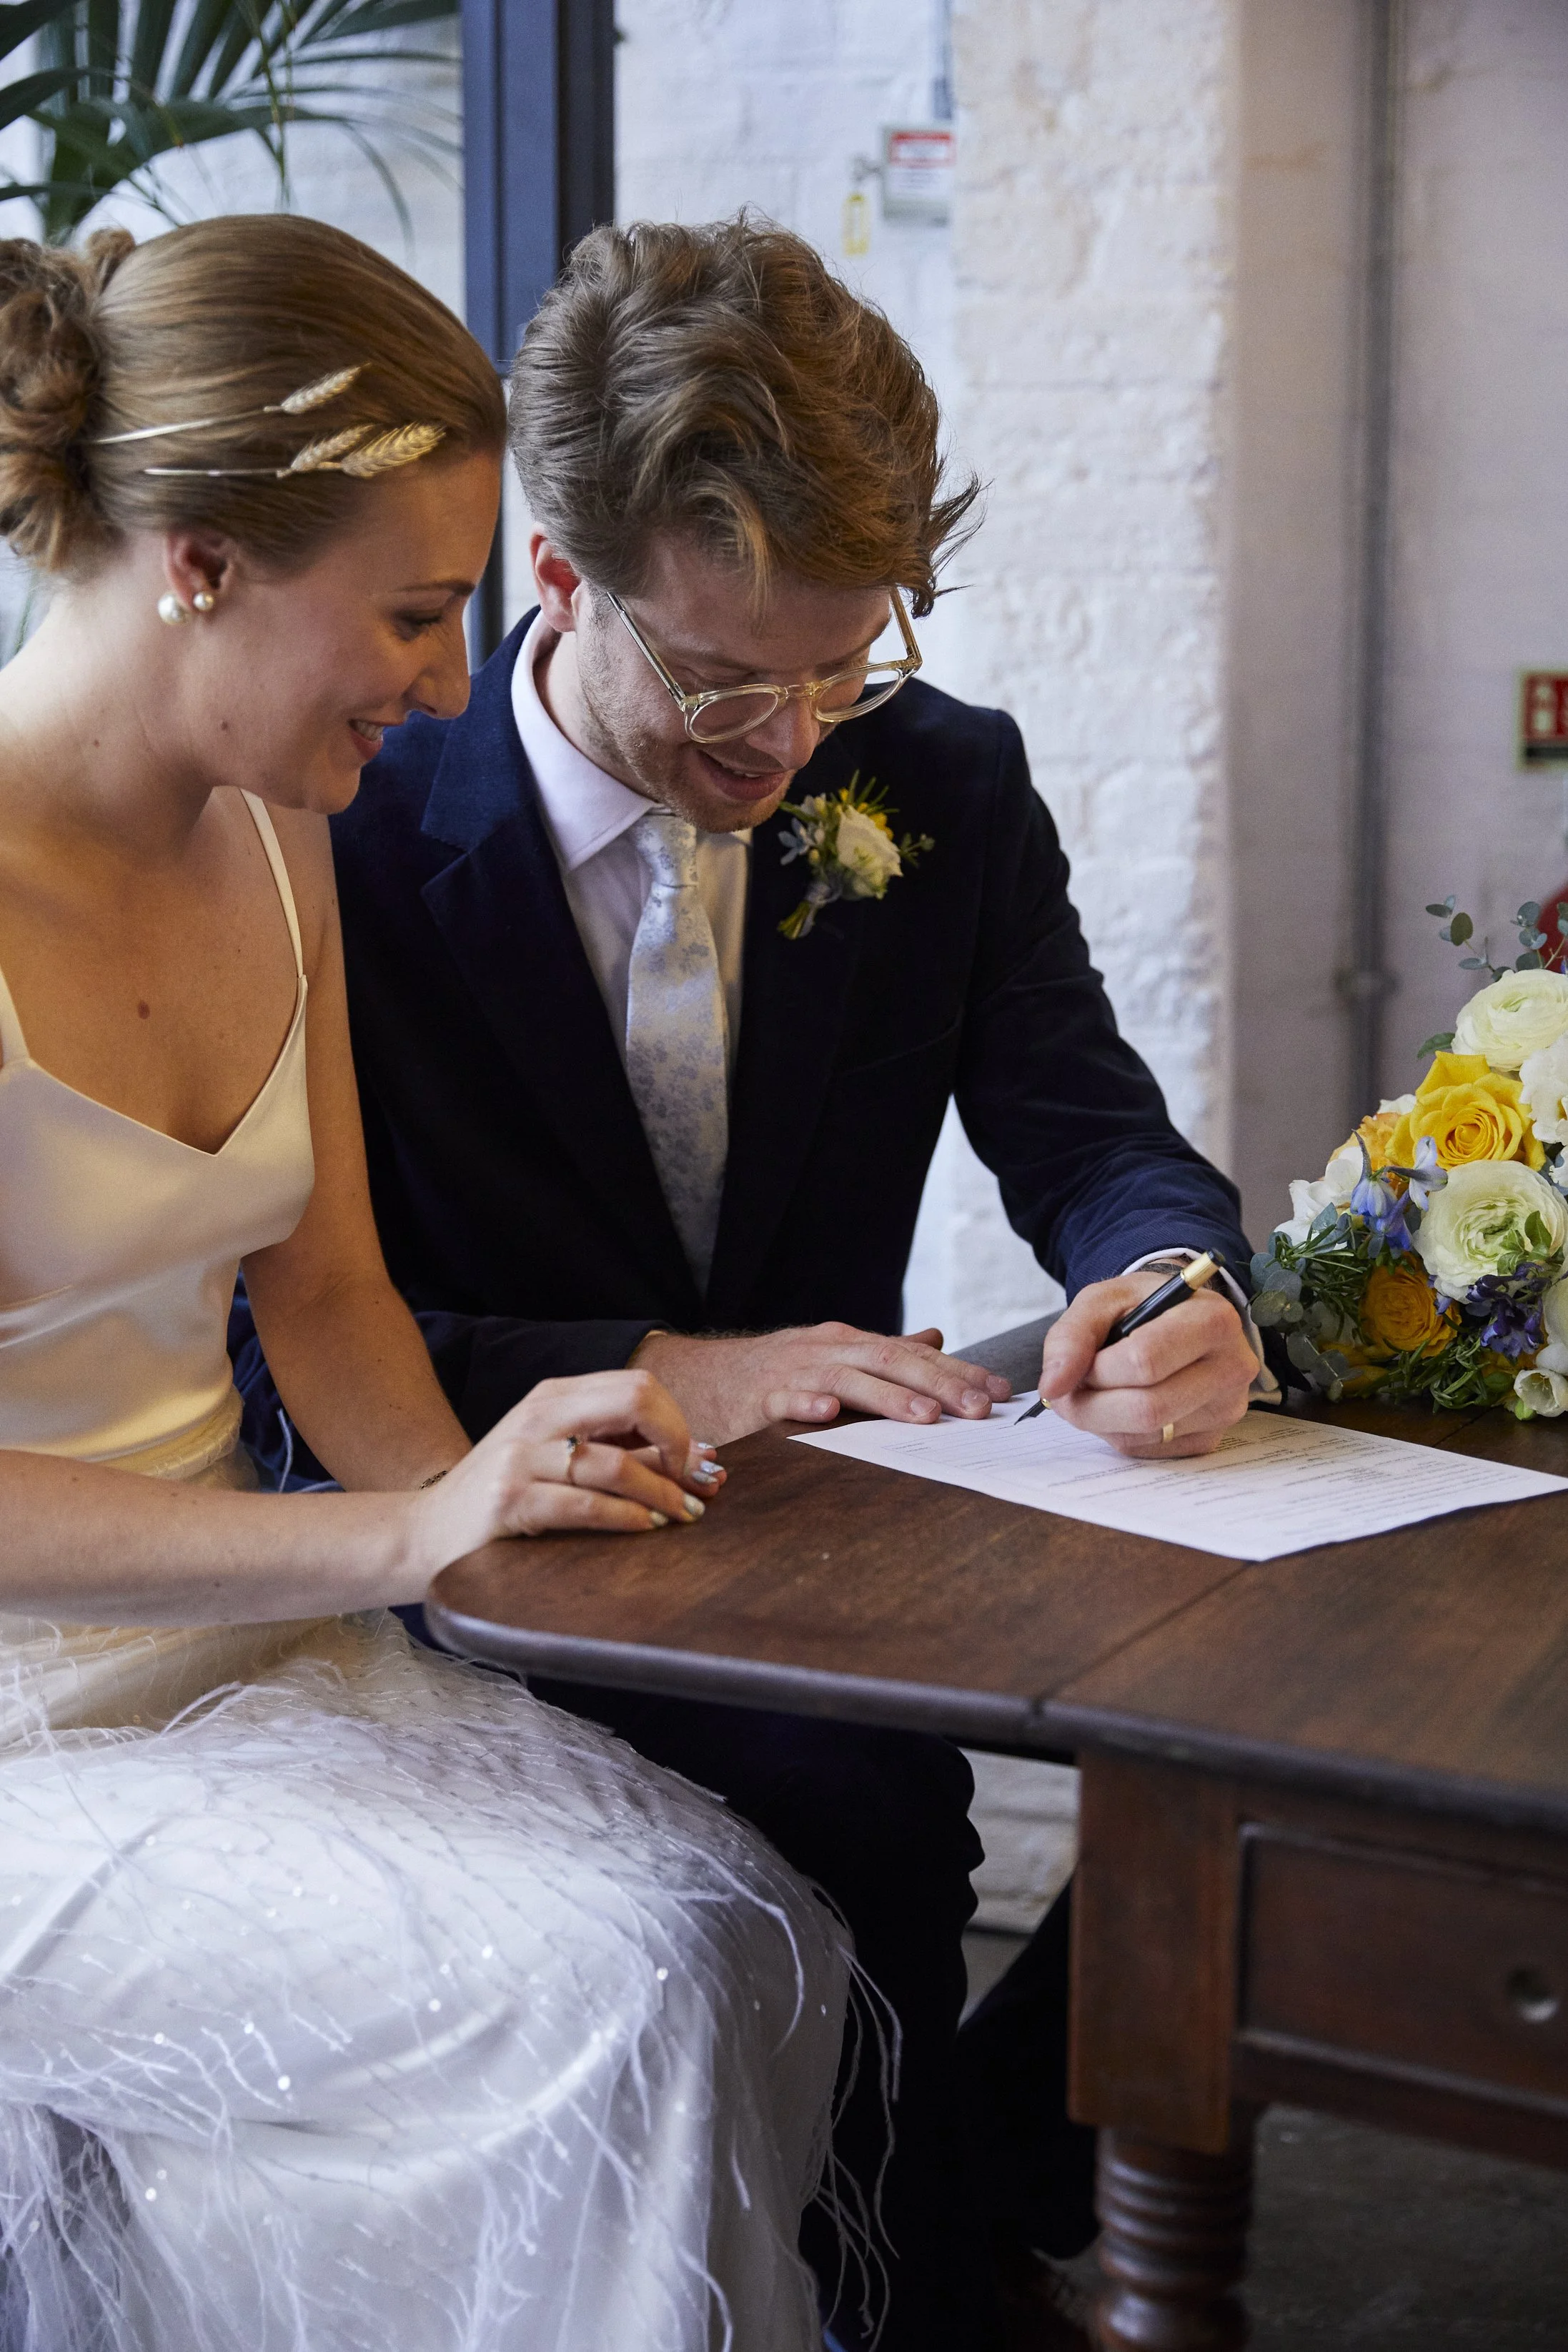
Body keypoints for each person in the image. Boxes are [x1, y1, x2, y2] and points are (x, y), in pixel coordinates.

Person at [235, 217, 1266, 2352]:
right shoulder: (340, 818)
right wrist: (670, 1370)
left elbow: (1088, 1127)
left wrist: (1168, 1275)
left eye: (839, 666)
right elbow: (285, 1334)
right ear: (557, 577)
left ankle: (955, 2222)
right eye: (718, 678)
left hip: (824, 1553)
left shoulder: (941, 783)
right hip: (486, 1532)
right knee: (865, 1808)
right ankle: (946, 2287)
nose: (788, 737)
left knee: (1239, 1757)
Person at [0, 216, 855, 2352]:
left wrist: (523, 1549)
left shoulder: (281, 838)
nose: (461, 685)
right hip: (28, 1738)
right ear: (196, 557)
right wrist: (407, 1530)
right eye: (411, 611)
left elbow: (338, 1310)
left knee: (747, 1925)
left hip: (266, 1664)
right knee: (602, 1981)